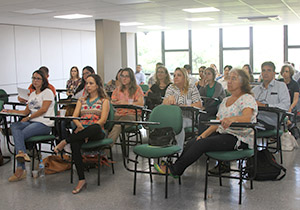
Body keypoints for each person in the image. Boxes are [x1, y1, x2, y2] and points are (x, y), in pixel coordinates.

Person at [154, 69, 258, 177]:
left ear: (242, 82)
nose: (229, 81)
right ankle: (176, 168)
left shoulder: (247, 98)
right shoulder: (225, 100)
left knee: (201, 144)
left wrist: (232, 119)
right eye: (229, 78)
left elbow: (247, 118)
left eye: (234, 78)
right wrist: (203, 135)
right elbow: (216, 123)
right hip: (223, 134)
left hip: (239, 138)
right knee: (193, 142)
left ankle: (175, 169)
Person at [54, 74, 109, 194]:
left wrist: (87, 130)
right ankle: (81, 179)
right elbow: (74, 117)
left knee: (94, 127)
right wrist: (79, 126)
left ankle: (65, 141)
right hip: (81, 130)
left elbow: (102, 120)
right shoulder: (81, 100)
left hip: (96, 131)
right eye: (87, 83)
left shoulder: (104, 101)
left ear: (98, 85)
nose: (88, 86)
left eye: (91, 83)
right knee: (75, 144)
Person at [5, 70, 55, 182]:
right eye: (33, 78)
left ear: (43, 81)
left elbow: (43, 109)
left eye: (38, 78)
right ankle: (22, 153)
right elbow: (25, 112)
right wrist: (10, 111)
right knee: (15, 126)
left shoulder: (47, 92)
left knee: (20, 134)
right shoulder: (32, 94)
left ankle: (20, 169)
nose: (35, 81)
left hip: (44, 124)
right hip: (32, 122)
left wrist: (29, 118)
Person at [163, 68, 202, 151]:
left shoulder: (191, 87)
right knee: (167, 123)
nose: (176, 77)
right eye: (174, 75)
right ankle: (165, 152)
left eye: (179, 75)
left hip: (189, 118)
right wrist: (168, 99)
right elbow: (164, 104)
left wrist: (186, 105)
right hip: (172, 117)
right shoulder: (171, 87)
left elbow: (199, 105)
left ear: (184, 77)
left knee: (179, 124)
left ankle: (178, 151)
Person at [108, 68, 144, 143]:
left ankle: (106, 150)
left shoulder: (137, 89)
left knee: (118, 126)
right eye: (122, 76)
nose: (124, 78)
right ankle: (97, 148)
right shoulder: (117, 89)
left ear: (131, 78)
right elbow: (113, 101)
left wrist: (126, 102)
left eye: (127, 76)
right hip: (118, 114)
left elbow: (141, 103)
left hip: (132, 115)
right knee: (105, 123)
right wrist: (113, 102)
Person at [252, 61, 290, 130]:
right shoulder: (255, 90)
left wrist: (266, 105)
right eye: (263, 70)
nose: (266, 73)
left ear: (274, 73)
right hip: (256, 119)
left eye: (269, 70)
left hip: (272, 120)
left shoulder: (281, 86)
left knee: (247, 125)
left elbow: (285, 105)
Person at [198, 67, 226, 134]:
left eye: (209, 74)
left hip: (217, 106)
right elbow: (199, 95)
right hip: (208, 106)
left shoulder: (218, 85)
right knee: (202, 115)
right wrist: (203, 85)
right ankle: (201, 134)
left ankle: (204, 134)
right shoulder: (206, 86)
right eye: (205, 74)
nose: (206, 75)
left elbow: (214, 98)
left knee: (203, 114)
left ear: (213, 75)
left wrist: (205, 107)